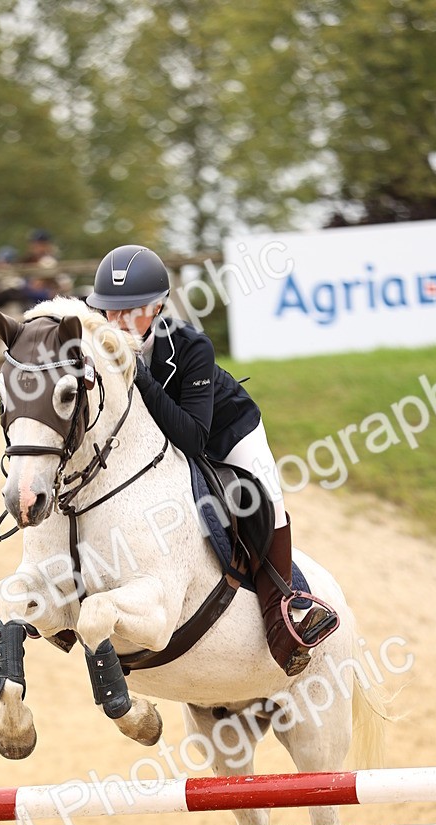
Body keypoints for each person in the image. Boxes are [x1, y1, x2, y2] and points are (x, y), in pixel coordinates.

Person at [86, 244, 338, 677]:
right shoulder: (97, 351)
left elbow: (192, 436)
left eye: (131, 312)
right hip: (162, 446)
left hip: (226, 432)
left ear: (157, 306)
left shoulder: (190, 348)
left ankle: (286, 611)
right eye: (110, 312)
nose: (118, 323)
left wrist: (142, 377)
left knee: (268, 501)